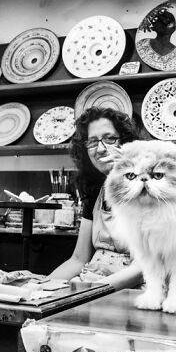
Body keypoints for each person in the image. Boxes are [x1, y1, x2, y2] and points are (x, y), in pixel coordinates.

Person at [48, 107, 143, 290]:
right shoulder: (94, 192)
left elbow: (142, 267)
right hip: (92, 283)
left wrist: (90, 292)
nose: (100, 149)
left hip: (131, 290)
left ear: (126, 142)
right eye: (92, 142)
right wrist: (39, 289)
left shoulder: (144, 190)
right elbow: (78, 260)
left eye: (110, 139)